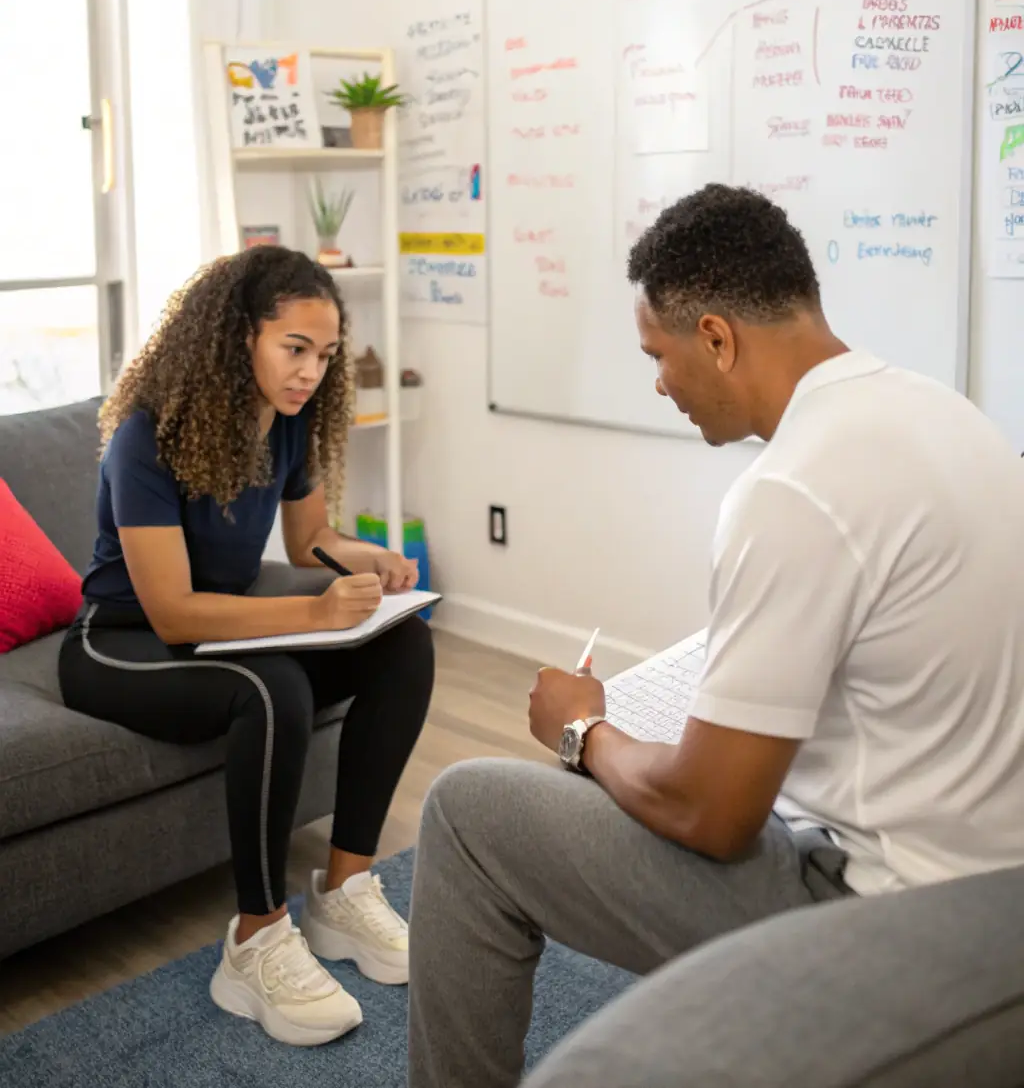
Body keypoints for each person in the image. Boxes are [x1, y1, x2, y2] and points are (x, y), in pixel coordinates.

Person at [407, 183, 1024, 1088]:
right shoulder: (949, 415)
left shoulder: (790, 491)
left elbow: (714, 816)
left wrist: (584, 730)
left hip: (883, 911)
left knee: (466, 812)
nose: (660, 384)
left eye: (658, 355)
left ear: (717, 338)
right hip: (994, 878)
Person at [59, 245, 434, 1048]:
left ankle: (342, 895)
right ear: (239, 337)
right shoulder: (147, 435)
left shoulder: (287, 425)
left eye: (324, 354)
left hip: (209, 630)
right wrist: (317, 611)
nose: (311, 372)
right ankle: (255, 940)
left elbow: (310, 538)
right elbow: (171, 614)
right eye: (294, 347)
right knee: (273, 688)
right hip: (119, 643)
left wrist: (369, 559)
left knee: (405, 646)